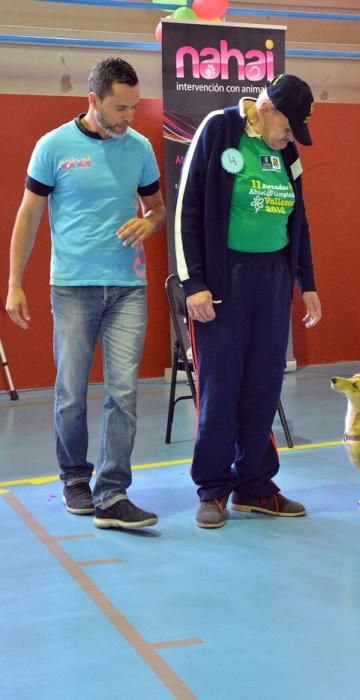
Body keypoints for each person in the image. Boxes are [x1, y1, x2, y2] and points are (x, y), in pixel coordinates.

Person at [6, 57, 165, 529]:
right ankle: (76, 477)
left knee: (124, 392)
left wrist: (148, 222)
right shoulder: (52, 147)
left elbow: (156, 208)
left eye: (134, 108)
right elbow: (28, 217)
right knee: (71, 391)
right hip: (72, 288)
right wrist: (14, 283)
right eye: (120, 108)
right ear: (92, 100)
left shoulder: (138, 148)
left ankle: (112, 493)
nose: (129, 117)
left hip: (128, 289)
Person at [175, 73, 322, 528]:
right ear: (270, 108)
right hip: (224, 281)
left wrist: (307, 280)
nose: (290, 137)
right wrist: (193, 282)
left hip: (273, 279)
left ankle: (255, 485)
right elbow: (189, 208)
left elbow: (299, 219)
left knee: (263, 385)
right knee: (222, 388)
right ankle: (213, 488)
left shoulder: (287, 153)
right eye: (289, 126)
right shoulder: (219, 129)